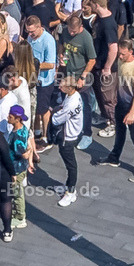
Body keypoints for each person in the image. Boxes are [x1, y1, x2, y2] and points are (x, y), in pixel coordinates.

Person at [98, 40, 134, 181]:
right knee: (120, 132)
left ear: (131, 52)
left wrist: (132, 113)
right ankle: (114, 157)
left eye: (123, 54)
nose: (120, 57)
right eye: (119, 54)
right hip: (121, 103)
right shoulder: (121, 61)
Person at [51, 74, 84, 207]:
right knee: (70, 164)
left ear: (70, 88)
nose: (59, 86)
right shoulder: (74, 96)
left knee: (71, 165)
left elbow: (56, 119)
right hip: (75, 132)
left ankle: (70, 192)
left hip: (68, 137)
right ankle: (69, 187)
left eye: (62, 85)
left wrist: (52, 114)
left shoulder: (71, 103)